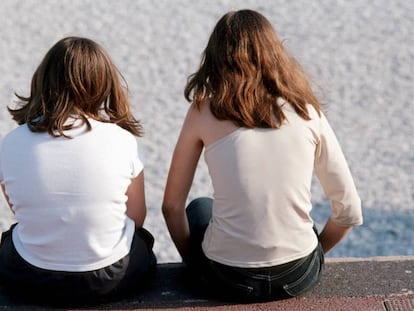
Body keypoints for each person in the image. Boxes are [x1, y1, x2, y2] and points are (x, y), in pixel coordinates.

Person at [162, 10, 363, 302]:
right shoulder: (306, 110)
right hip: (298, 275)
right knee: (297, 222)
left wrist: (194, 264)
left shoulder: (203, 111)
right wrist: (313, 251)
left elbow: (171, 206)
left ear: (216, 57)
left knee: (201, 207)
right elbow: (349, 210)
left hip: (226, 278)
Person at [0, 37, 156, 305]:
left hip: (32, 277)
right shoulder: (121, 139)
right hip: (109, 278)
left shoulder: (10, 143)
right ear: (102, 83)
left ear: (43, 80)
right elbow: (136, 218)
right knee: (144, 241)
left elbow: (23, 208)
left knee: (9, 240)